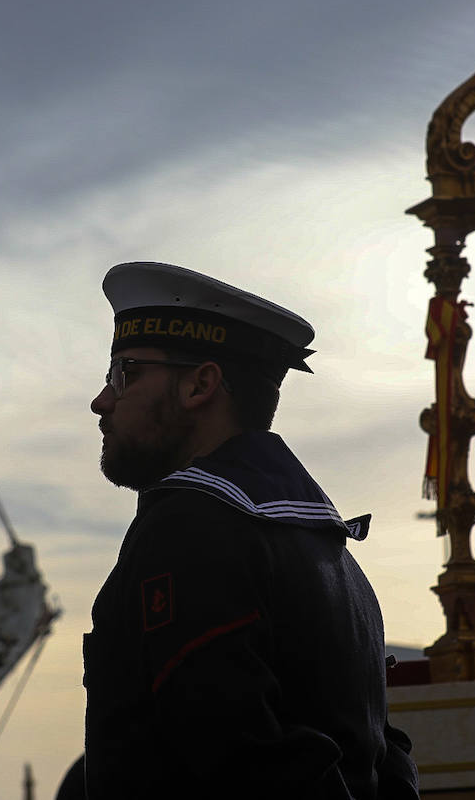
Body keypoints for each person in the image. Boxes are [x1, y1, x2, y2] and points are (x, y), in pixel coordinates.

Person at [67, 262, 419, 799]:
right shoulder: (336, 557)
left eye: (126, 373)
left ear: (201, 385)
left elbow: (236, 763)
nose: (103, 400)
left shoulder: (190, 527)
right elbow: (382, 760)